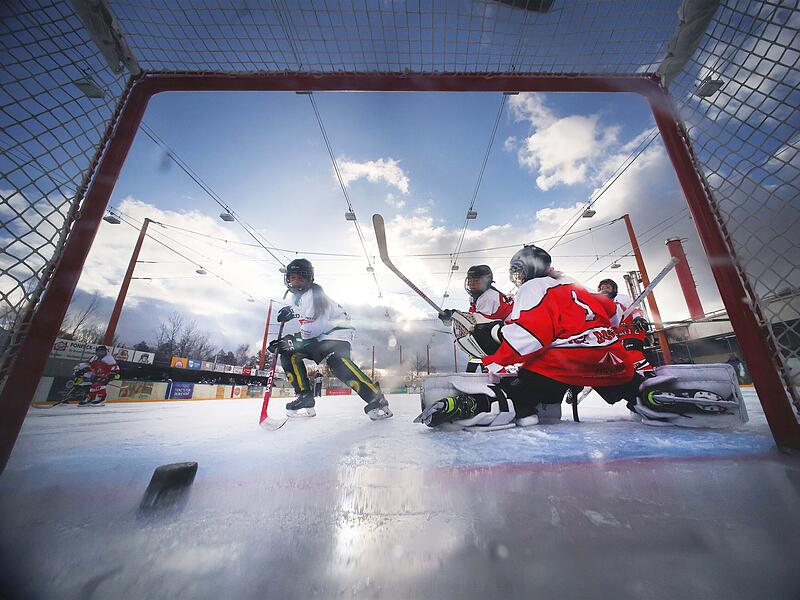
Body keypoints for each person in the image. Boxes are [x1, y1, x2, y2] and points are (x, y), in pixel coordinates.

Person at [419, 245, 640, 427]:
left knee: (518, 390)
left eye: (520, 270)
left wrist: (496, 354)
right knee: (633, 388)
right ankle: (647, 397)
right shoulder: (576, 285)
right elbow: (614, 312)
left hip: (561, 363)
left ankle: (489, 405)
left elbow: (529, 335)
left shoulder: (532, 287)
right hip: (612, 362)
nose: (519, 276)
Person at [268, 258, 392, 420]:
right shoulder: (298, 297)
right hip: (321, 335)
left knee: (337, 363)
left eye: (300, 278)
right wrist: (291, 311)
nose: (296, 282)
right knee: (289, 354)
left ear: (309, 279)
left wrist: (292, 340)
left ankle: (376, 398)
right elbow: (302, 313)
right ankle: (305, 397)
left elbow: (312, 330)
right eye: (292, 278)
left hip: (338, 333)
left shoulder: (316, 298)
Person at [439, 265, 513, 372]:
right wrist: (452, 319)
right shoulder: (478, 297)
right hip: (504, 334)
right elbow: (471, 320)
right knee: (480, 333)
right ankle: (494, 369)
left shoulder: (489, 297)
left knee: (480, 333)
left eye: (476, 281)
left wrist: (454, 316)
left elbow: (478, 322)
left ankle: (499, 370)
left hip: (509, 336)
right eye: (470, 280)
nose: (472, 284)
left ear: (486, 281)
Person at [597, 279, 654, 376]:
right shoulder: (599, 304)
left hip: (630, 329)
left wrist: (638, 318)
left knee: (631, 352)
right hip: (616, 334)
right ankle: (631, 377)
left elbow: (633, 308)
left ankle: (647, 373)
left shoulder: (619, 298)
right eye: (602, 288)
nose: (604, 289)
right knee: (616, 358)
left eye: (607, 287)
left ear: (614, 290)